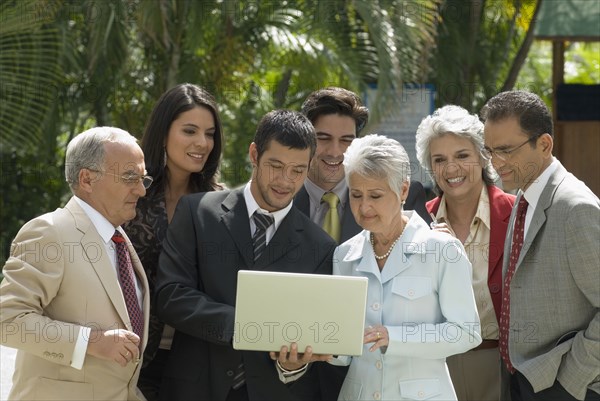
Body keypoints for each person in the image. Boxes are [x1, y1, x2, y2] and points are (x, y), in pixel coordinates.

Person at [154, 109, 337, 401]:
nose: (285, 181)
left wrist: (292, 365)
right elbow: (171, 295)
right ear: (254, 155)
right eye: (275, 166)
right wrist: (243, 325)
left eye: (297, 170)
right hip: (192, 389)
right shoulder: (196, 213)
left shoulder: (321, 247)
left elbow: (308, 333)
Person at [0, 127, 151, 400]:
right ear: (87, 179)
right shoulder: (50, 232)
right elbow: (8, 320)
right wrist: (91, 342)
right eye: (130, 177)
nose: (141, 190)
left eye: (143, 179)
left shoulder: (119, 239)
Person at [329, 134, 482, 400]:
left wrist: (394, 337)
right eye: (355, 195)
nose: (364, 207)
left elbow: (467, 332)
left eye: (375, 195)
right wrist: (323, 347)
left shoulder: (443, 250)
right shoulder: (344, 255)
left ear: (402, 190)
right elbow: (343, 353)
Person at [481, 90, 600, 401]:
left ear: (544, 144)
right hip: (523, 381)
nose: (496, 163)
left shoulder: (576, 208)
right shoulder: (523, 193)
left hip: (566, 388)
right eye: (490, 151)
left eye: (505, 150)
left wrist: (570, 381)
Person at [123, 83, 224, 400]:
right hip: (127, 357)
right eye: (190, 131)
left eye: (209, 134)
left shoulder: (219, 204)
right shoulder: (128, 193)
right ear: (163, 132)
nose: (202, 143)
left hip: (193, 362)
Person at [415, 105, 515, 401]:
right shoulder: (418, 223)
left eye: (462, 156)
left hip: (500, 366)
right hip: (434, 365)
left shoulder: (517, 214)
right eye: (440, 159)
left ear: (483, 157)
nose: (451, 168)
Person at [295, 87, 432, 246]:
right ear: (306, 139)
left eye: (346, 140)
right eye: (324, 138)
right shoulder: (280, 196)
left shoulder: (400, 196)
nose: (335, 151)